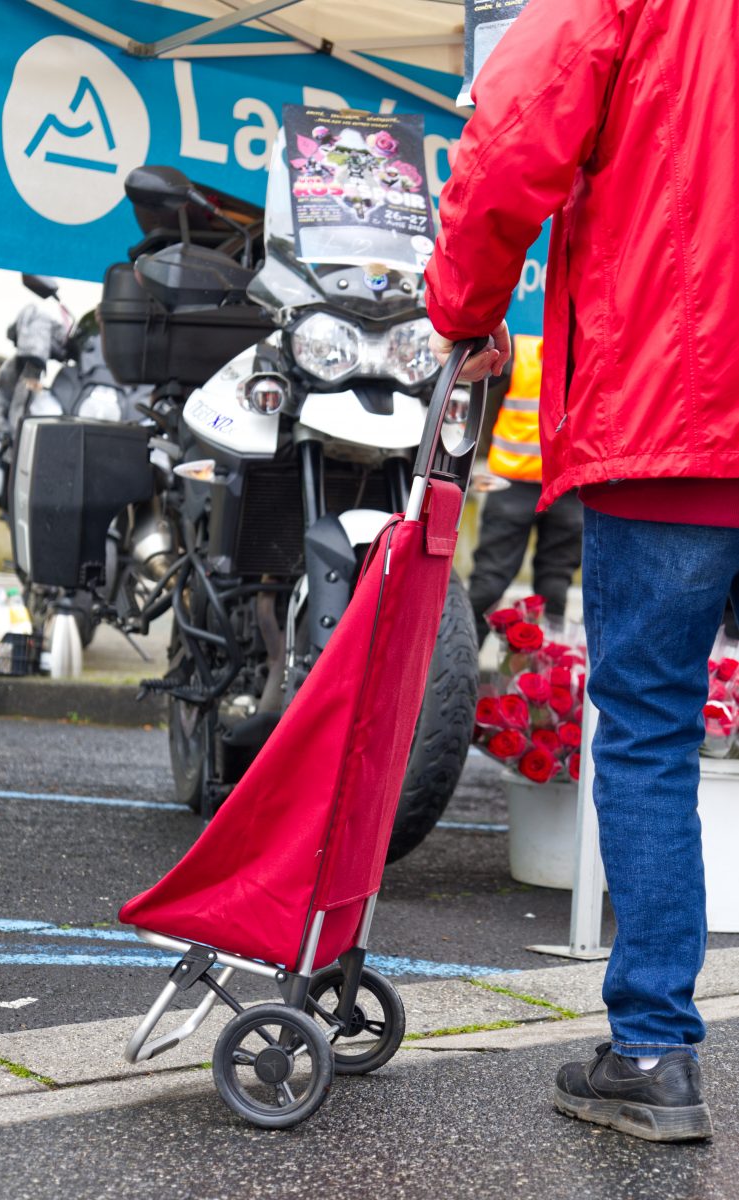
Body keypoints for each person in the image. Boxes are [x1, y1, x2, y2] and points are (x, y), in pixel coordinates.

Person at [425, 0, 739, 1143]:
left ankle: (653, 1052)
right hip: (677, 409)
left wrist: (463, 307)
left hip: (673, 409)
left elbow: (513, 133)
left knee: (647, 726)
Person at [470, 333, 582, 645]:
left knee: (553, 589)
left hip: (564, 489)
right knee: (488, 585)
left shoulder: (591, 358)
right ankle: (457, 661)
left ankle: (545, 669)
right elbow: (486, 411)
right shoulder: (520, 353)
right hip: (516, 486)